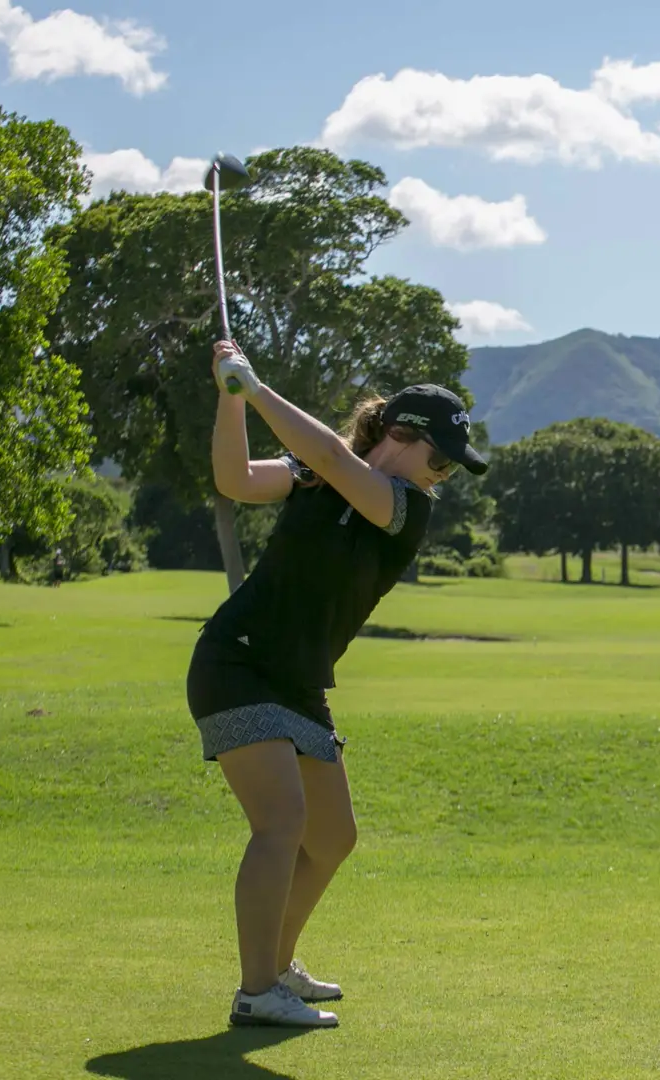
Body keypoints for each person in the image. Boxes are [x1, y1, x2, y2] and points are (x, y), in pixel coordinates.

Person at [185, 340, 486, 1028]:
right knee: (282, 823)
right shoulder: (312, 475)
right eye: (440, 459)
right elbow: (236, 479)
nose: (443, 475)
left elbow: (333, 459)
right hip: (236, 662)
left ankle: (278, 964)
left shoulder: (408, 507)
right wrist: (234, 399)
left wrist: (257, 389)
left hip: (297, 682)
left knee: (333, 837)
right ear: (402, 436)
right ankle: (257, 990)